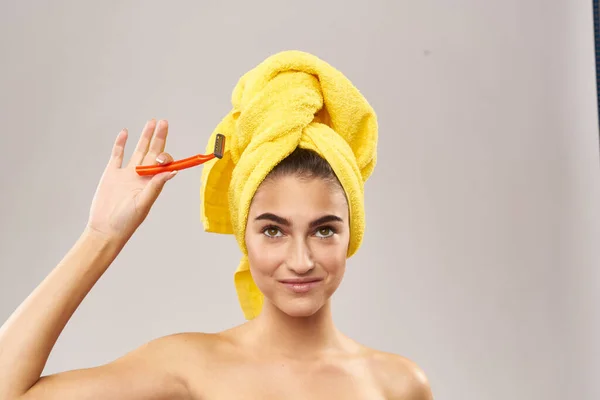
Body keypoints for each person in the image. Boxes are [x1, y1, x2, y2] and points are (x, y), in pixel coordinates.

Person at [0, 52, 434, 399]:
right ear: (243, 234)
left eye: (324, 230)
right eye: (273, 230)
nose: (300, 261)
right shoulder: (191, 366)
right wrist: (100, 237)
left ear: (351, 235)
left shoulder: (399, 384)